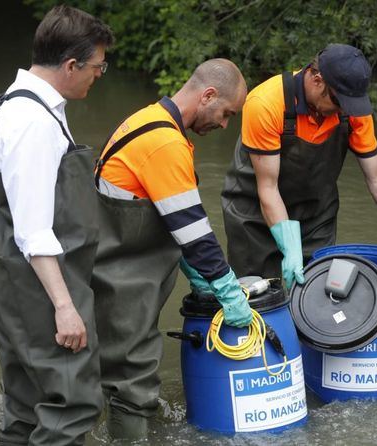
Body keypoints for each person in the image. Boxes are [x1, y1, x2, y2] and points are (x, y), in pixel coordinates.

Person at [92, 58, 252, 440]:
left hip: (107, 265)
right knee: (132, 375)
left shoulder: (147, 120)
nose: (225, 124)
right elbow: (195, 234)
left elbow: (166, 216)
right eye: (227, 113)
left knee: (106, 371)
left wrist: (197, 275)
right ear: (208, 95)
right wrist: (227, 289)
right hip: (120, 277)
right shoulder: (166, 143)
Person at [0, 5, 114, 444]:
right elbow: (33, 229)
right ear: (71, 65)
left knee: (24, 407)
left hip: (10, 284)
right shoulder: (32, 122)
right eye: (97, 66)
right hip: (41, 287)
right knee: (70, 407)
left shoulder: (11, 104)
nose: (99, 74)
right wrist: (65, 306)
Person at [221, 43, 377, 289]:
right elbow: (268, 187)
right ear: (317, 80)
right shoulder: (266, 104)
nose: (344, 111)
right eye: (339, 102)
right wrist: (290, 246)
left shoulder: (352, 108)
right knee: (259, 299)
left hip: (316, 215)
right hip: (254, 216)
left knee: (315, 297)